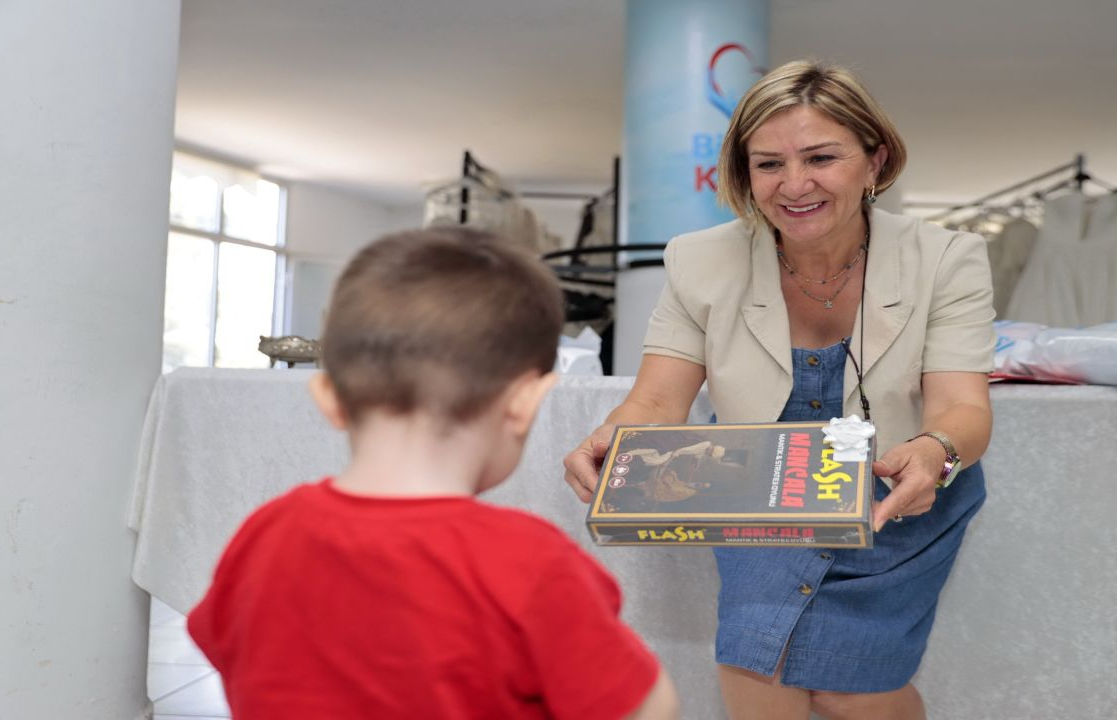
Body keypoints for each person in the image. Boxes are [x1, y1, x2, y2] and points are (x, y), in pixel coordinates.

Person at [563, 60, 995, 720]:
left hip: (896, 501)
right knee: (759, 674)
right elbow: (655, 402)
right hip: (759, 491)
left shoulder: (947, 259)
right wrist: (615, 442)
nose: (794, 185)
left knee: (855, 691)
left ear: (874, 160)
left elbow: (962, 409)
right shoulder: (699, 260)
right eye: (768, 165)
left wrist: (937, 451)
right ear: (744, 175)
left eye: (821, 157)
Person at [189, 227, 679, 720]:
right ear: (525, 403)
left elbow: (228, 651)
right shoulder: (533, 564)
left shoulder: (265, 533)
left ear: (328, 399)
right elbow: (647, 709)